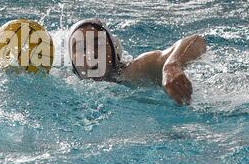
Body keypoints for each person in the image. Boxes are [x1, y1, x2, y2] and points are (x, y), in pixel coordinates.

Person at [68, 19, 207, 105]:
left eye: (98, 44)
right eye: (80, 48)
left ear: (115, 50)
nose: (91, 54)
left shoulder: (135, 71)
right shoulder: (68, 86)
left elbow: (197, 41)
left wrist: (172, 65)